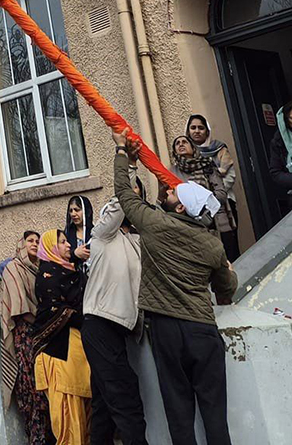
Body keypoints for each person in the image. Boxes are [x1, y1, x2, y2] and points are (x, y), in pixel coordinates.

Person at [113, 128, 236, 445]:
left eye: (171, 193)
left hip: (166, 330)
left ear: (181, 208)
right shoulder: (212, 246)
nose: (166, 192)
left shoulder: (155, 224)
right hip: (202, 331)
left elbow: (125, 196)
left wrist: (122, 154)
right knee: (215, 413)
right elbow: (225, 293)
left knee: (179, 414)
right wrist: (229, 273)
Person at [81, 196, 146, 445]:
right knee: (126, 399)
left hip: (117, 329)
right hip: (100, 324)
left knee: (103, 406)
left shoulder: (135, 242)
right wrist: (127, 169)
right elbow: (119, 204)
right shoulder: (103, 236)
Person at [32, 229, 91, 445]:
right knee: (67, 408)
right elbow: (56, 309)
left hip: (74, 348)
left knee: (80, 407)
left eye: (67, 241)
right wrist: (88, 319)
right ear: (51, 248)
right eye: (62, 242)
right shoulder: (49, 275)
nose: (68, 245)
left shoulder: (69, 271)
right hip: (57, 351)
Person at [0, 229, 46, 438]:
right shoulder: (13, 268)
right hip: (25, 335)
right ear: (22, 244)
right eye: (30, 240)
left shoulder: (39, 269)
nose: (34, 244)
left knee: (44, 386)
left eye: (37, 241)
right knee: (30, 387)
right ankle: (36, 436)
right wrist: (41, 322)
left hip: (41, 334)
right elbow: (21, 308)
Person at [184, 115, 241, 260]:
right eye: (193, 128)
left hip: (224, 202)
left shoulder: (220, 149)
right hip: (198, 210)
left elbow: (230, 177)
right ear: (188, 131)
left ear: (207, 131)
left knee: (229, 247)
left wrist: (212, 196)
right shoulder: (185, 156)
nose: (197, 131)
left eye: (201, 128)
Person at [64, 195, 96, 273]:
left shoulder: (95, 233)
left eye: (77, 210)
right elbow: (60, 256)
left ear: (86, 211)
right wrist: (74, 253)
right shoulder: (66, 234)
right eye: (71, 211)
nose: (73, 214)